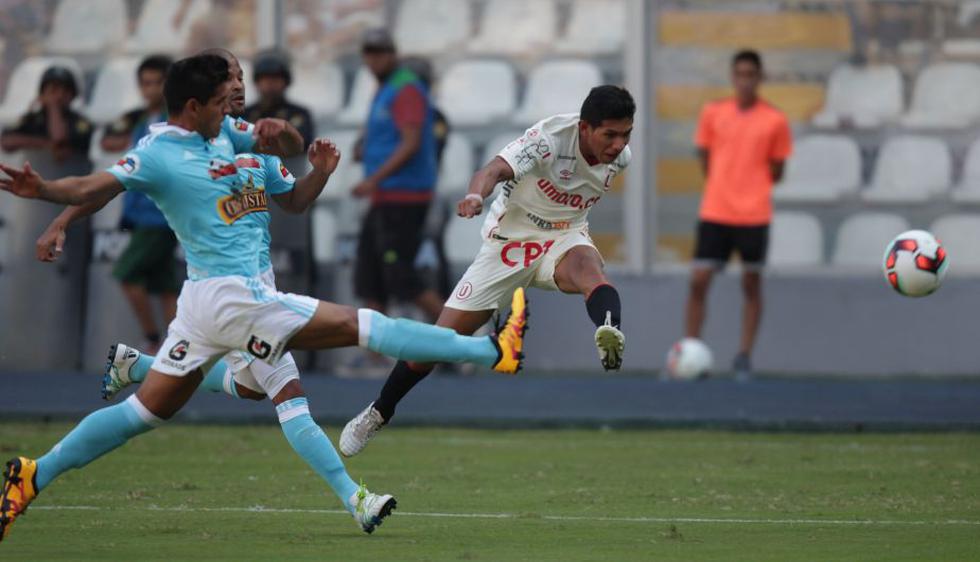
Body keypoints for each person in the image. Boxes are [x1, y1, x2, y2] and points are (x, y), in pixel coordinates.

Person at [0, 54, 528, 541]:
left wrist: (310, 160)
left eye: (240, 86)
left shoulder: (232, 134)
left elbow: (292, 164)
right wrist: (47, 197)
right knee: (354, 325)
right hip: (236, 297)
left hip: (209, 304)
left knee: (146, 413)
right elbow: (97, 185)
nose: (238, 98)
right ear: (194, 106)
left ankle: (34, 472)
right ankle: (489, 351)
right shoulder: (160, 150)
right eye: (228, 89)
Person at [339, 85, 634, 458]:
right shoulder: (547, 140)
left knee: (591, 272)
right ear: (585, 128)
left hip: (565, 235)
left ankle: (609, 330)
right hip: (508, 243)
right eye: (610, 134)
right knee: (434, 344)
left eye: (626, 134)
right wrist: (477, 195)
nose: (618, 144)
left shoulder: (621, 158)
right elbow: (492, 169)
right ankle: (379, 411)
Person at [684, 50, 792, 380]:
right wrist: (724, 185)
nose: (745, 80)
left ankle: (743, 355)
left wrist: (750, 188)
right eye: (740, 74)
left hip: (754, 215)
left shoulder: (774, 120)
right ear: (733, 77)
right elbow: (704, 157)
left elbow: (777, 169)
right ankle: (691, 351)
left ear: (759, 78)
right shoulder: (713, 113)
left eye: (751, 74)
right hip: (716, 210)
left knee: (751, 283)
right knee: (699, 281)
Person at [352, 28, 444, 324]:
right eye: (369, 53)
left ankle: (463, 339)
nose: (374, 60)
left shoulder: (406, 88)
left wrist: (373, 179)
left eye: (381, 53)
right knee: (370, 275)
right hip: (386, 197)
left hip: (404, 196)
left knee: (401, 275)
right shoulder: (388, 87)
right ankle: (376, 353)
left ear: (393, 55)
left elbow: (410, 142)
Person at [100, 55, 177, 354]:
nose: (151, 89)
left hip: (156, 215)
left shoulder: (173, 120)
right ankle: (176, 347)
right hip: (144, 213)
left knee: (127, 273)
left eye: (158, 82)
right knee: (165, 283)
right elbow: (108, 141)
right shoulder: (142, 119)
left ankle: (154, 338)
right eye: (146, 83)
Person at [0, 65, 92, 162]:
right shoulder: (33, 118)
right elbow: (7, 141)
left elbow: (59, 139)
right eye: (53, 90)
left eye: (65, 91)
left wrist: (53, 107)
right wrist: (46, 144)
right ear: (42, 93)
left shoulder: (80, 122)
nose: (59, 96)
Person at [242, 50, 315, 150]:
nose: (270, 83)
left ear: (286, 81)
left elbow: (302, 144)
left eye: (275, 78)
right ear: (257, 82)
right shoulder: (243, 114)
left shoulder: (299, 114)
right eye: (265, 78)